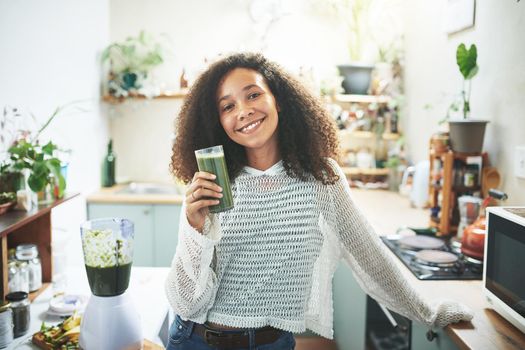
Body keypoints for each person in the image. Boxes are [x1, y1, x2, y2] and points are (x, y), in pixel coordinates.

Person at [165, 53, 472, 350]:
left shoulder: (321, 178)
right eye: (227, 106)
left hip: (274, 343)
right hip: (196, 340)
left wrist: (427, 314)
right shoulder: (211, 184)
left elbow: (370, 255)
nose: (243, 111)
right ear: (218, 121)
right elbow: (186, 300)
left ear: (279, 100)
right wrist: (195, 230)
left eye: (253, 95)